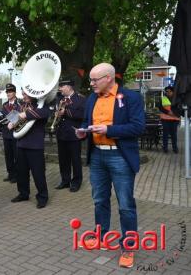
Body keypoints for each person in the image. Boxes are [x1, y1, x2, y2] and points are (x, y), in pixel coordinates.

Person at [75, 63, 145, 268]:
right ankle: (101, 236)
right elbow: (86, 121)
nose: (91, 83)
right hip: (97, 156)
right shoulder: (91, 99)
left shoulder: (131, 98)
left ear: (108, 78)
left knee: (125, 205)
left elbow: (137, 127)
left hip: (120, 157)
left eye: (95, 80)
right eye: (90, 79)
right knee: (99, 199)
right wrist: (82, 131)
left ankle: (128, 247)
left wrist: (108, 129)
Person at [9, 90, 50, 209]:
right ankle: (23, 193)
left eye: (26, 94)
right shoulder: (22, 105)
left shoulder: (41, 105)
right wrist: (10, 122)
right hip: (21, 143)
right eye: (23, 93)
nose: (23, 96)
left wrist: (25, 115)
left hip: (35, 145)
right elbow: (13, 117)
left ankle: (42, 197)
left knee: (38, 173)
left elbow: (45, 113)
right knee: (21, 172)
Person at [54, 79, 86, 192]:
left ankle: (76, 182)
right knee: (63, 159)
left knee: (75, 160)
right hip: (61, 134)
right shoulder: (59, 99)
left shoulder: (80, 99)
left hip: (73, 134)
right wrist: (56, 114)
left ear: (69, 87)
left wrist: (65, 112)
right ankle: (65, 180)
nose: (60, 89)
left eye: (62, 86)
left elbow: (82, 114)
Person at [0, 83, 20, 183]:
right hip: (6, 133)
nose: (8, 93)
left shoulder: (19, 104)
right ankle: (10, 173)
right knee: (8, 155)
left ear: (15, 93)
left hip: (15, 132)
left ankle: (16, 175)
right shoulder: (4, 105)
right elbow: (2, 118)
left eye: (10, 91)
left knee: (16, 155)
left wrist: (13, 122)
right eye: (7, 92)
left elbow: (20, 116)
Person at [158, 85, 180, 154]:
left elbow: (179, 107)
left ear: (173, 92)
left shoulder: (177, 99)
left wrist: (174, 113)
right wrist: (168, 112)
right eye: (167, 91)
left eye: (170, 91)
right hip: (165, 119)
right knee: (165, 135)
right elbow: (160, 107)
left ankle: (175, 148)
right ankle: (165, 149)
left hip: (174, 119)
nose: (168, 93)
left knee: (174, 135)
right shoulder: (163, 98)